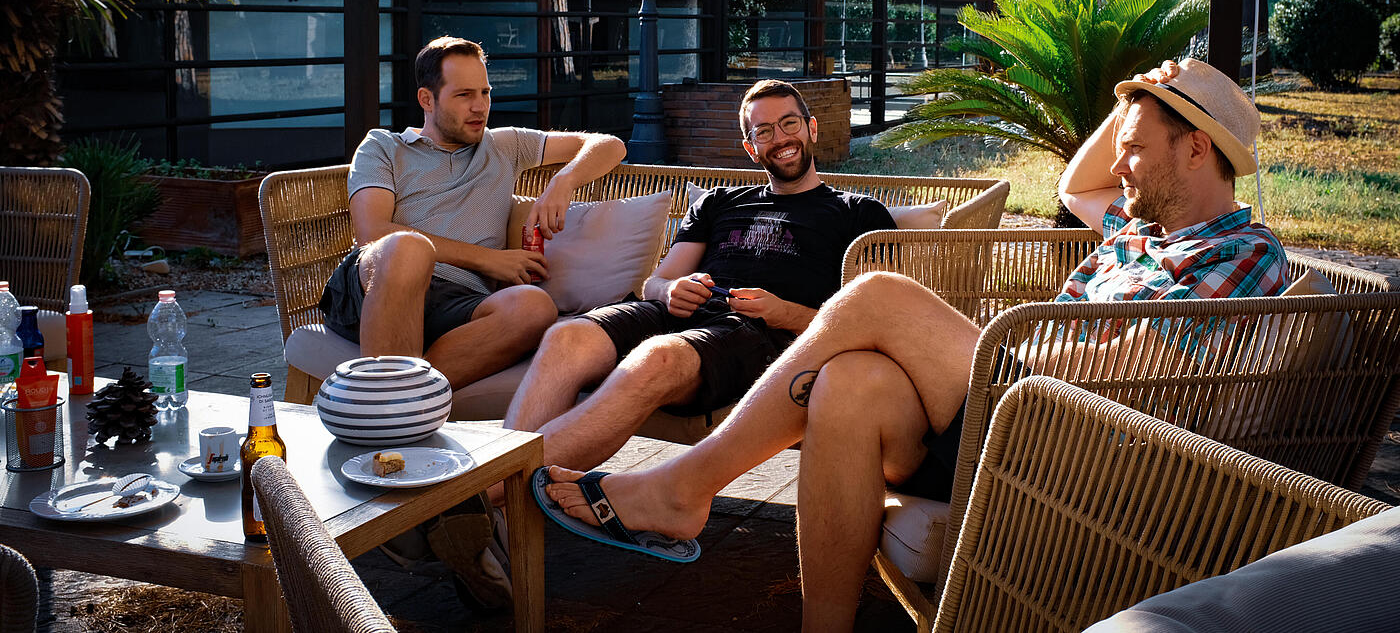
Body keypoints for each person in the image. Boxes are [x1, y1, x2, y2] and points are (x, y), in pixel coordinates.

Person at [539, 58, 1288, 632]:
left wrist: (988, 355)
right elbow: (1075, 180)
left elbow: (1140, 369)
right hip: (1017, 404)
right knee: (850, 380)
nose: (1119, 168)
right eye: (1123, 149)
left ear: (1195, 150)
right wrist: (1147, 93)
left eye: (1138, 149)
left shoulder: (1240, 251)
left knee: (876, 297)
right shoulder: (1135, 226)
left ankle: (683, 486)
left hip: (1078, 430)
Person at [500, 78, 897, 478]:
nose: (780, 138)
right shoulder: (719, 202)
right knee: (565, 337)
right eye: (763, 131)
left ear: (811, 128)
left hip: (756, 336)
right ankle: (508, 501)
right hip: (678, 318)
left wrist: (783, 313)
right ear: (750, 147)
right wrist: (671, 289)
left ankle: (490, 491)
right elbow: (654, 284)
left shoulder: (859, 213)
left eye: (789, 124)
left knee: (659, 357)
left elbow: (868, 324)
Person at [318, 35, 626, 391]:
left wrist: (564, 180)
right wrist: (488, 260)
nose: (480, 107)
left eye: (485, 93)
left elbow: (609, 144)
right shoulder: (384, 147)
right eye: (464, 95)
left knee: (534, 306)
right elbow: (372, 232)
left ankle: (403, 398)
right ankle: (393, 402)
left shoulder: (506, 145)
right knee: (407, 248)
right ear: (427, 100)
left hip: (460, 305)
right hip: (380, 284)